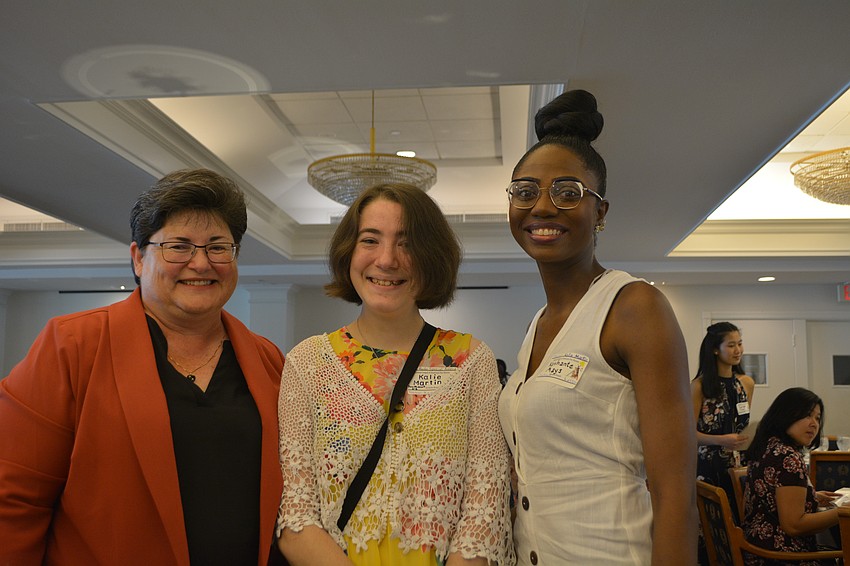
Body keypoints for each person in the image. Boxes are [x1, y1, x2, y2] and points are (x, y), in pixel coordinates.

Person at [0, 169, 286, 565]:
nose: (200, 263)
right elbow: (13, 500)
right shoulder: (72, 346)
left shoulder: (268, 360)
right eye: (179, 246)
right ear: (138, 257)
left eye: (218, 247)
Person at [497, 89, 697, 565]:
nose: (542, 207)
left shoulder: (634, 306)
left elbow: (676, 495)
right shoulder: (537, 326)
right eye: (525, 191)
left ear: (600, 212)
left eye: (568, 192)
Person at [276, 183, 514, 566]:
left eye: (406, 243)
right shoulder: (308, 363)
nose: (386, 260)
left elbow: (484, 512)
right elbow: (296, 515)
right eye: (370, 240)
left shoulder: (471, 361)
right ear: (348, 252)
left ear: (430, 256)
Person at [743, 387, 847, 564]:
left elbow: (770, 498)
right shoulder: (787, 457)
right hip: (784, 557)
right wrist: (843, 512)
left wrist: (812, 497)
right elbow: (794, 525)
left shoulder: (766, 447)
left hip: (757, 548)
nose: (814, 423)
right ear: (785, 414)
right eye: (807, 415)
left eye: (817, 418)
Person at [692, 322, 755, 519]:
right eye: (731, 345)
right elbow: (687, 434)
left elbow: (741, 426)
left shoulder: (746, 383)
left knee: (739, 520)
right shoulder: (699, 386)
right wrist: (721, 440)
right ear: (715, 350)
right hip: (709, 465)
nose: (738, 350)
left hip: (740, 466)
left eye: (740, 343)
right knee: (714, 523)